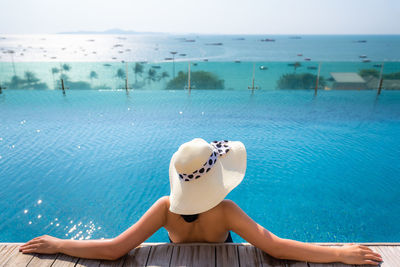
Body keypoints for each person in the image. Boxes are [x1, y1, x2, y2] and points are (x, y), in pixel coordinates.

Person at [20, 138, 382, 265]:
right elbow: (276, 248)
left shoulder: (165, 208)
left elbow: (114, 250)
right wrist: (339, 253)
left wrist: (59, 244)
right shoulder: (225, 211)